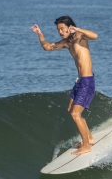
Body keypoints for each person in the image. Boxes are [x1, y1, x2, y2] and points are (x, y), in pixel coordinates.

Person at [30, 16, 98, 155]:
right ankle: (89, 138)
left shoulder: (80, 36)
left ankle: (86, 146)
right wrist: (39, 34)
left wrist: (77, 29)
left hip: (87, 80)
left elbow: (95, 36)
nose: (60, 32)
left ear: (70, 27)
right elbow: (47, 47)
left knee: (75, 113)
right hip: (79, 81)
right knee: (70, 109)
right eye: (58, 29)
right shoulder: (67, 42)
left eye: (62, 29)